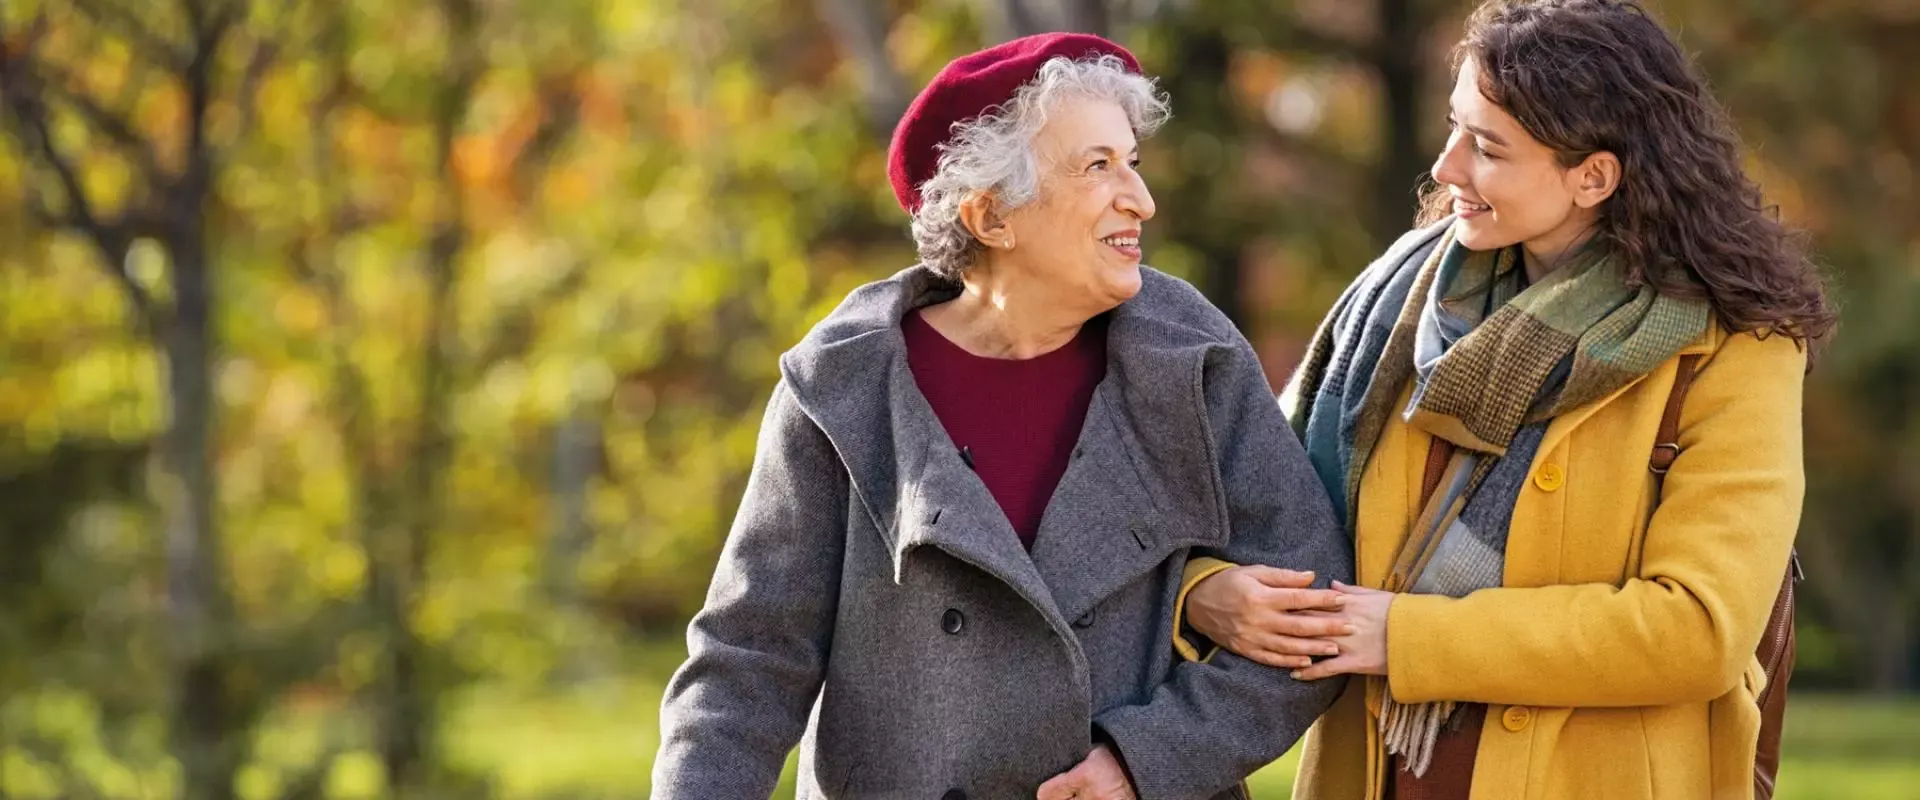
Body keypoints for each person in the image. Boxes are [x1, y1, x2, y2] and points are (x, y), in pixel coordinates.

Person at [651, 33, 1351, 800]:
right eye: (1097, 167)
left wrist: (1146, 761)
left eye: (1132, 162)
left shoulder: (1191, 356)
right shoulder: (844, 386)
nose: (1140, 200)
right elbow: (749, 663)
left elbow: (1313, 611)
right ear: (991, 216)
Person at [1177, 1, 1834, 798]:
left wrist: (1409, 638)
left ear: (1593, 177)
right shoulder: (1396, 310)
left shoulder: (1734, 349)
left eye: (1487, 147)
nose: (1446, 168)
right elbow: (1254, 512)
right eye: (1454, 129)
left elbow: (1698, 628)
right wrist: (1204, 592)